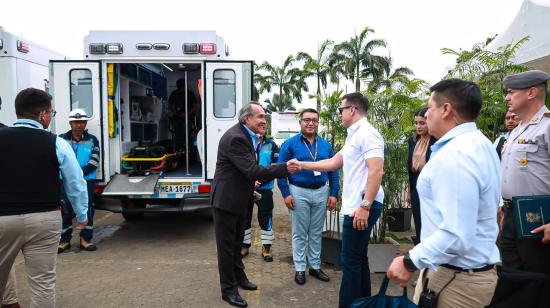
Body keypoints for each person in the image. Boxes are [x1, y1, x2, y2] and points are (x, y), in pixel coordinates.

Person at [387, 79, 501, 307]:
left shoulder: (456, 155)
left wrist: (410, 261)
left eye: (430, 107)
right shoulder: (480, 144)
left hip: (455, 279)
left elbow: (457, 234)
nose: (426, 115)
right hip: (462, 274)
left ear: (446, 109)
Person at [289, 93, 384, 307]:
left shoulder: (368, 134)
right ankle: (362, 303)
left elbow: (377, 170)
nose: (339, 113)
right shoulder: (354, 135)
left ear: (352, 110)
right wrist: (302, 165)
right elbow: (332, 163)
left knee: (350, 261)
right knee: (359, 259)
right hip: (358, 205)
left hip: (361, 207)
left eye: (341, 109)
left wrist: (365, 206)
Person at [0, 88, 88, 308]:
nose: (51, 117)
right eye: (51, 112)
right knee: (43, 284)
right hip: (45, 219)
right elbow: (75, 182)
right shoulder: (56, 142)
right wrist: (82, 214)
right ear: (42, 114)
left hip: (3, 219)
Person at [211, 102, 298, 307]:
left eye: (264, 116)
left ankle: (239, 279)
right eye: (259, 116)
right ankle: (228, 290)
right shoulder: (236, 138)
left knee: (236, 244)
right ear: (246, 118)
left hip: (240, 200)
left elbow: (246, 172)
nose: (263, 121)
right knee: (226, 249)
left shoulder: (247, 136)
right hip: (226, 202)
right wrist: (284, 168)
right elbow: (252, 171)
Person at [277, 108, 340, 285]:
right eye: (307, 120)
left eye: (314, 120)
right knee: (299, 233)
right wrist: (286, 194)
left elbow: (333, 171)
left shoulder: (326, 145)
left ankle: (314, 267)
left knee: (315, 232)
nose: (310, 123)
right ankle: (299, 269)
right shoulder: (290, 144)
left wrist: (334, 194)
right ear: (300, 123)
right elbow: (281, 171)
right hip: (298, 191)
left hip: (321, 191)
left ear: (318, 123)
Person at [500, 70, 550, 275]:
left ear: (531, 93)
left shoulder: (547, 126)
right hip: (511, 215)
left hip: (539, 218)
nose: (507, 97)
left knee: (538, 280)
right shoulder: (517, 130)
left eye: (511, 92)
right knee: (514, 280)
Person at [58, 108, 100, 253]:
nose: (79, 125)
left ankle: (85, 239)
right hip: (65, 180)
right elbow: (57, 160)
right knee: (65, 209)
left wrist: (76, 174)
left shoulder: (92, 140)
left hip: (86, 180)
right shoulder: (61, 139)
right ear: (70, 123)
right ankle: (64, 240)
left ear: (85, 123)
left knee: (87, 207)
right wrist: (70, 175)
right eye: (76, 122)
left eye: (82, 122)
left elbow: (94, 161)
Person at [241, 134, 280, 262]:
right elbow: (240, 166)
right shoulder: (244, 142)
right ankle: (245, 247)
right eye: (259, 123)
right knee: (244, 218)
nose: (262, 127)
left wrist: (260, 181)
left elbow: (274, 167)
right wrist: (251, 183)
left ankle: (266, 249)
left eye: (264, 125)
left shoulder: (271, 145)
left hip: (265, 189)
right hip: (246, 188)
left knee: (266, 218)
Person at [407, 107, 436, 244]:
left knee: (431, 221)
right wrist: (409, 191)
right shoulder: (412, 141)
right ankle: (419, 250)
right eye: (416, 123)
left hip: (432, 186)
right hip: (416, 183)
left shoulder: (437, 141)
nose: (418, 126)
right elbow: (409, 168)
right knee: (418, 220)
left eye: (422, 123)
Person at [168, 77, 198, 142]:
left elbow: (195, 106)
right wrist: (175, 112)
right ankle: (178, 148)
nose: (182, 89)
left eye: (182, 87)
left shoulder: (190, 93)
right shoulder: (174, 93)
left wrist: (187, 113)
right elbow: (171, 104)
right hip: (177, 117)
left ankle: (187, 148)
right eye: (180, 87)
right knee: (177, 134)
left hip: (188, 117)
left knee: (186, 134)